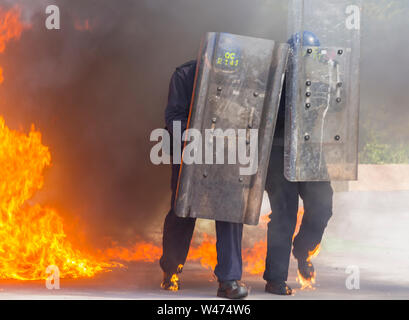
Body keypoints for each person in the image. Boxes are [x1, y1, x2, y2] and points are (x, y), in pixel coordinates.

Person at [159, 60, 248, 299]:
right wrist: (199, 138)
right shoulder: (185, 75)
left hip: (227, 154)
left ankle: (229, 280)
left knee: (230, 211)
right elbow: (174, 116)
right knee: (183, 210)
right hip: (190, 151)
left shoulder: (243, 77)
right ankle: (171, 270)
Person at [263, 31, 334, 295]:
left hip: (309, 151)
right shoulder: (274, 80)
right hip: (278, 153)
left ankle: (303, 249)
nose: (308, 59)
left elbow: (337, 109)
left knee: (322, 205)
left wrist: (333, 75)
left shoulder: (321, 80)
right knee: (284, 214)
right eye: (303, 54)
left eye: (312, 55)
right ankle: (275, 279)